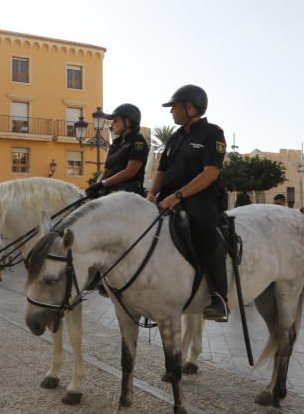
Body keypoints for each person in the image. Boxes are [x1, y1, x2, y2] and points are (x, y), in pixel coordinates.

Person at [147, 84, 229, 320]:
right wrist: (152, 194)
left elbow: (211, 172)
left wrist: (178, 196)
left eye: (174, 106)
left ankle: (219, 298)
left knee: (203, 228)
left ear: (190, 107)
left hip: (200, 197)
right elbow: (161, 170)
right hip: (169, 197)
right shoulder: (175, 137)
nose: (171, 111)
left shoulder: (212, 133)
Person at [85, 103, 149, 198]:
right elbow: (106, 172)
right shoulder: (115, 144)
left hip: (129, 193)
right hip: (109, 191)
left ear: (127, 121)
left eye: (115, 120)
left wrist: (103, 183)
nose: (112, 124)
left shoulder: (138, 141)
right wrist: (96, 186)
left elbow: (130, 172)